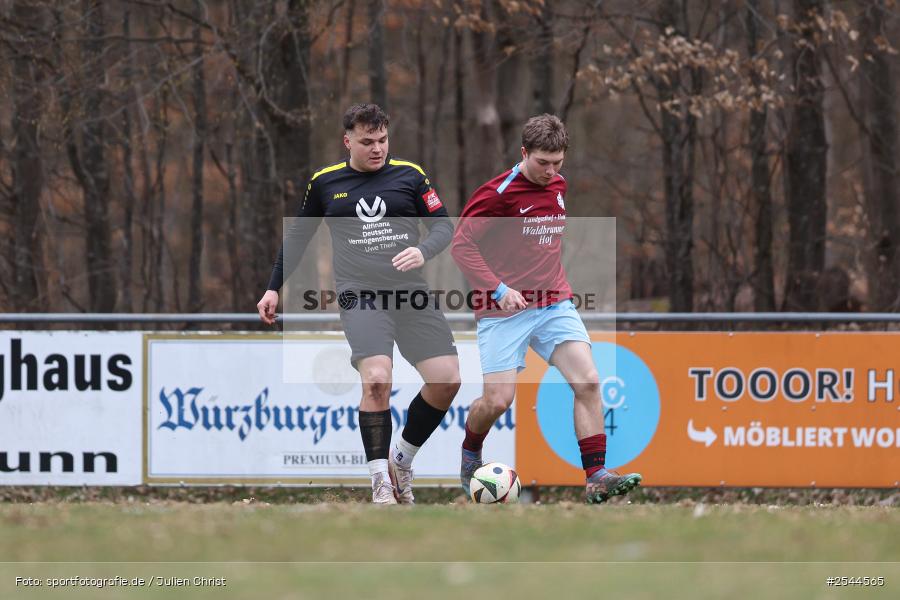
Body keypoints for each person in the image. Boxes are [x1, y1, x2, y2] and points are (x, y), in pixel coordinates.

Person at [258, 103, 460, 505]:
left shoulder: (411, 176)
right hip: (359, 292)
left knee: (447, 380)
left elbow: (443, 225)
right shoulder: (325, 182)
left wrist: (423, 251)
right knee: (377, 380)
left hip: (410, 292)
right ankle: (380, 482)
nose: (377, 148)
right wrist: (273, 287)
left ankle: (400, 461)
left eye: (382, 140)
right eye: (367, 141)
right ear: (347, 140)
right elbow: (298, 238)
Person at [450, 114, 641, 504]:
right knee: (498, 401)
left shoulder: (558, 184)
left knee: (588, 380)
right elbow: (461, 246)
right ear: (524, 153)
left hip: (553, 302)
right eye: (542, 163)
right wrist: (500, 288)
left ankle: (596, 476)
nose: (551, 171)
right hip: (503, 309)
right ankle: (471, 452)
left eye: (557, 163)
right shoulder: (498, 193)